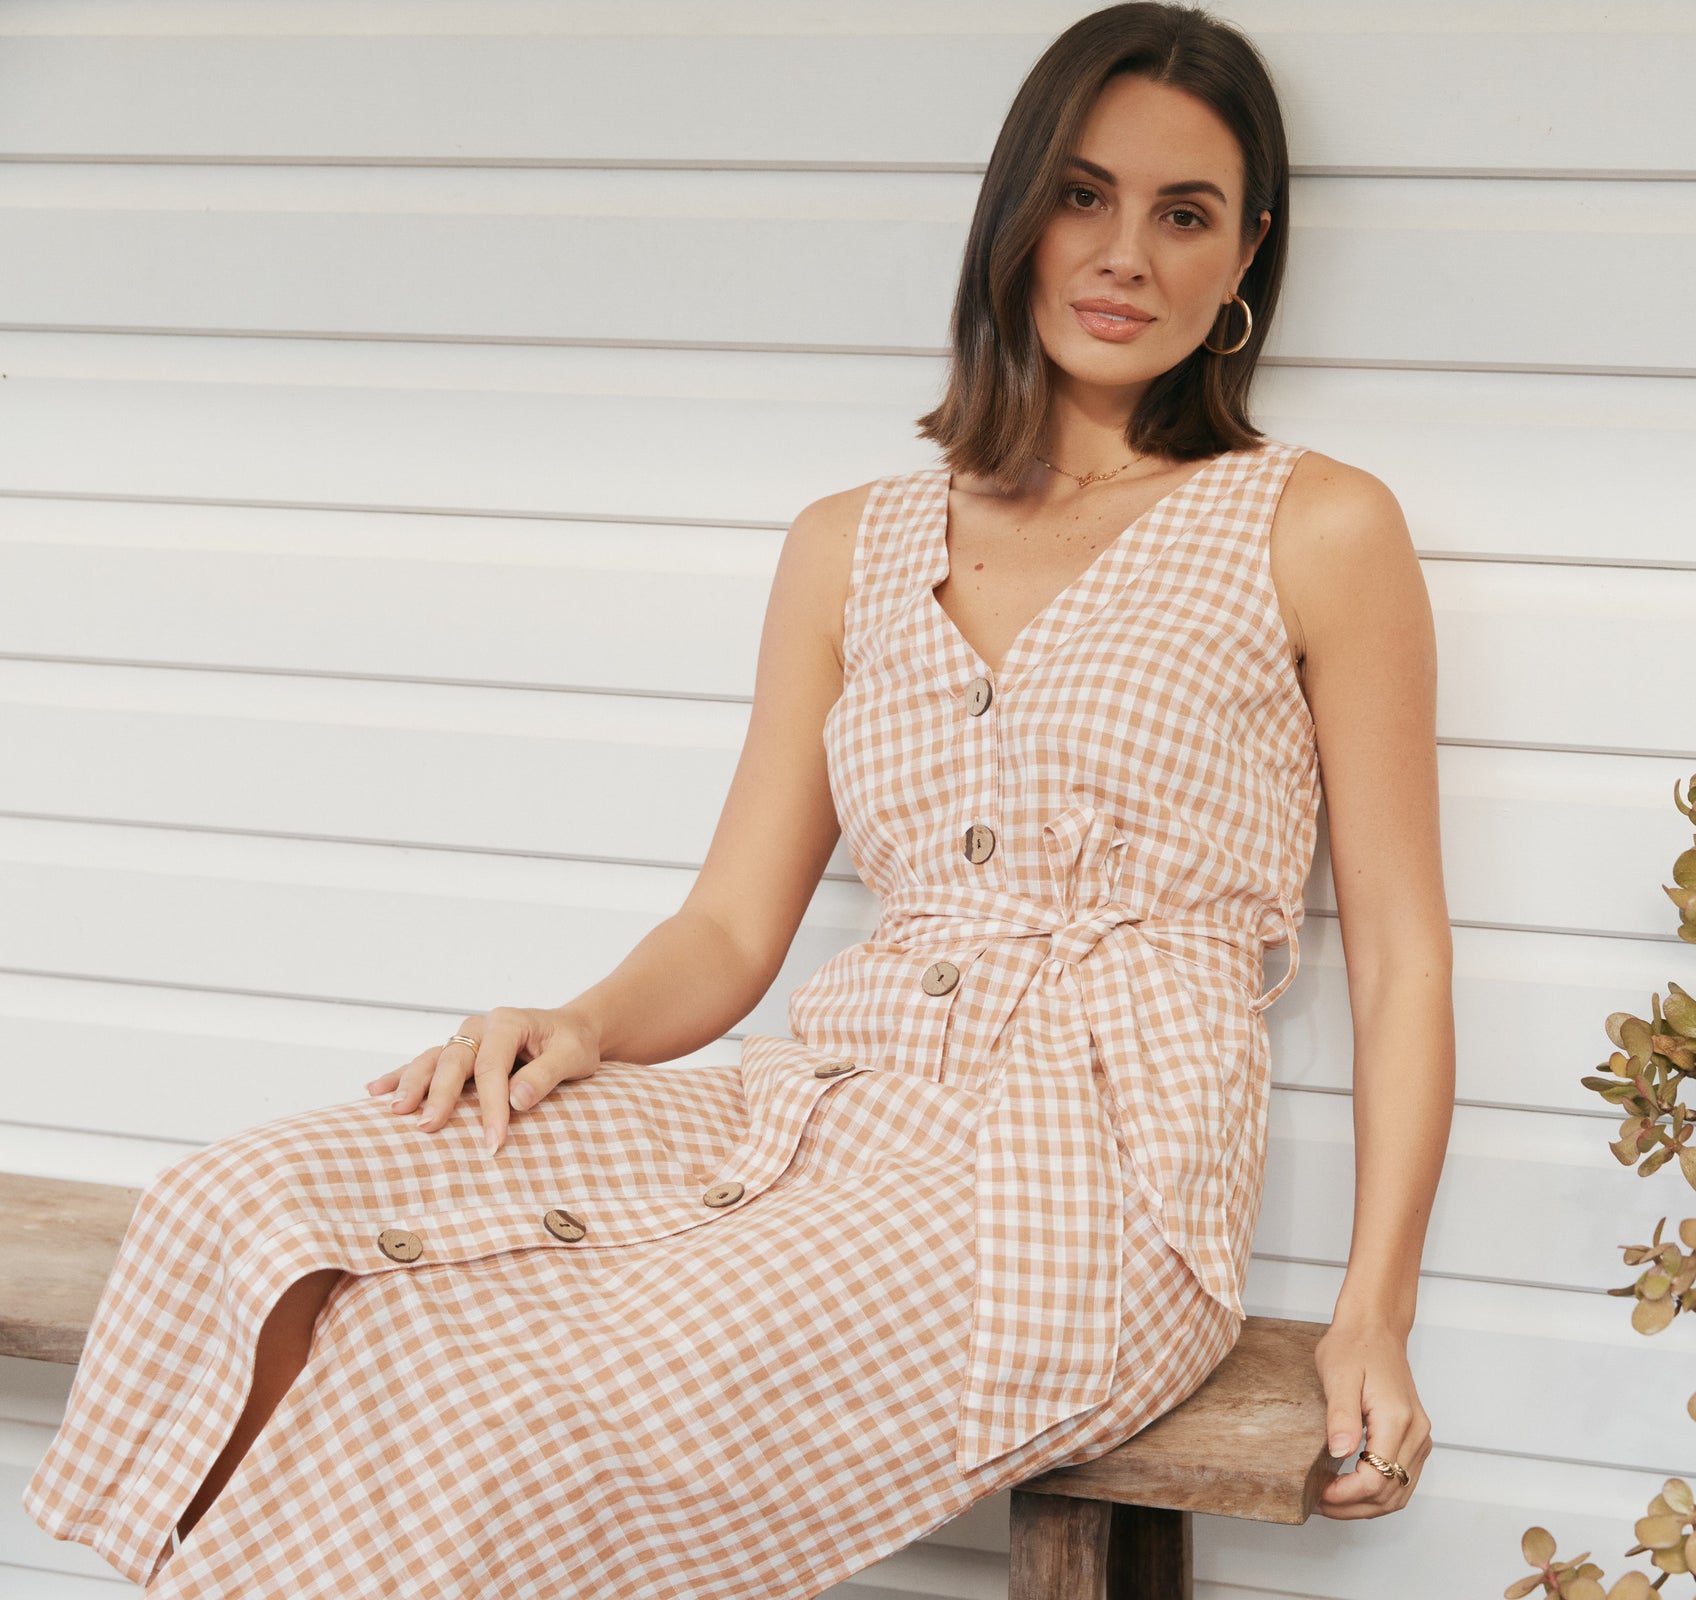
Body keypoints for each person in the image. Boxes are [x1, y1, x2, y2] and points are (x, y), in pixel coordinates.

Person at [21, 3, 1455, 1593]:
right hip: (830, 1104)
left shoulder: (1314, 527)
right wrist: (576, 1025)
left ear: (1247, 255)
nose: (1125, 253)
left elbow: (1401, 957)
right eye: (1082, 194)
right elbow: (728, 925)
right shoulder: (852, 541)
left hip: (1084, 1186)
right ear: (1016, 217)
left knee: (498, 1397)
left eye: (1184, 215)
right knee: (247, 1197)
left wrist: (1373, 1311)